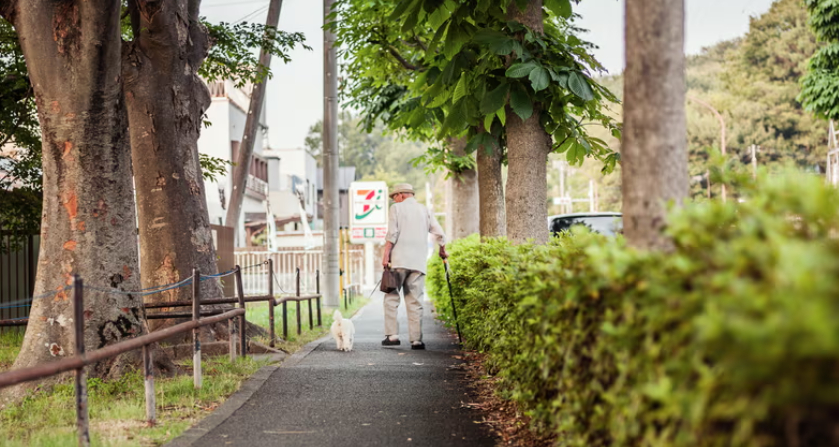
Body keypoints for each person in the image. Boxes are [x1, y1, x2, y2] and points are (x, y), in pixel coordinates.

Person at [381, 183, 447, 350]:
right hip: (418, 262)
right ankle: (416, 340)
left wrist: (386, 254)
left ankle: (392, 336)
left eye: (394, 196)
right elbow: (439, 232)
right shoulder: (425, 210)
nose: (394, 200)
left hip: (398, 261)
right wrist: (442, 249)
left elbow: (392, 233)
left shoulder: (396, 209)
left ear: (401, 195)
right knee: (415, 301)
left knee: (391, 297)